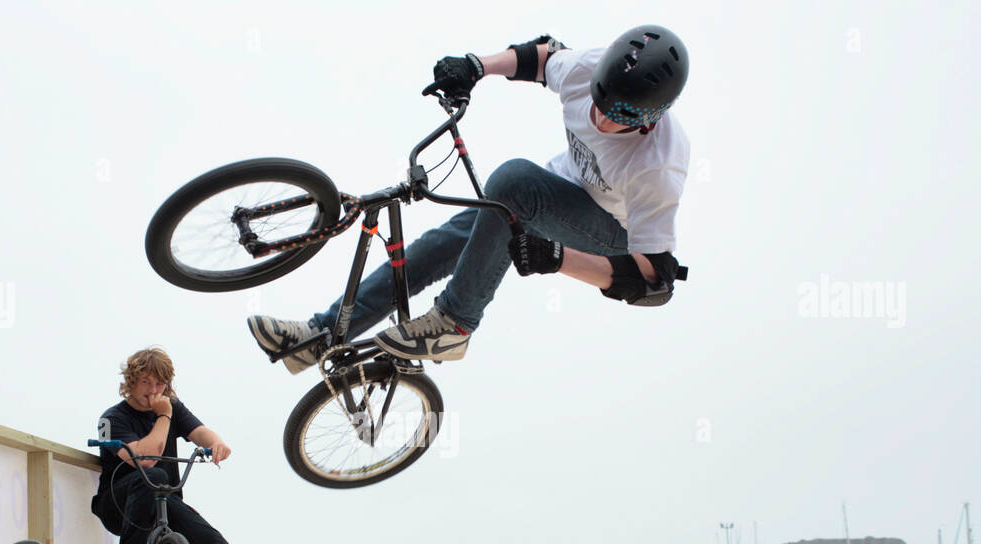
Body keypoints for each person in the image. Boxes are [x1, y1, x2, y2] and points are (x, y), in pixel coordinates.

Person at [246, 26, 689, 371]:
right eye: (600, 101)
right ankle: (318, 337)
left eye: (621, 119)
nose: (602, 119)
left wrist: (557, 259)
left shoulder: (659, 163)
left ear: (651, 122)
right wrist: (475, 65)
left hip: (611, 236)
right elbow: (540, 56)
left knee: (514, 182)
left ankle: (455, 323)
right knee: (434, 248)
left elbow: (654, 280)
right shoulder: (583, 69)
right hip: (551, 195)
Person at [90, 348, 285, 544]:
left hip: (162, 503)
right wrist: (164, 415)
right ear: (131, 381)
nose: (154, 392)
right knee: (154, 477)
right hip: (119, 504)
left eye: (160, 385)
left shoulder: (174, 407)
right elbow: (146, 459)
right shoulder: (113, 418)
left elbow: (202, 433)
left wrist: (217, 444)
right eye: (146, 383)